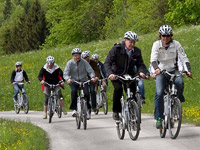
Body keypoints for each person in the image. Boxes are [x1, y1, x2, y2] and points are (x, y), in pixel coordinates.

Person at [150, 25, 192, 129]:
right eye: (163, 36)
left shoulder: (176, 44)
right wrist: (156, 69)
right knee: (159, 93)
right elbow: (153, 60)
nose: (165, 38)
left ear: (171, 36)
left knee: (180, 82)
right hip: (161, 71)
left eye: (168, 36)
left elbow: (184, 58)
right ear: (160, 36)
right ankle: (159, 118)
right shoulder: (156, 45)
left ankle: (178, 99)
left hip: (173, 69)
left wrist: (188, 70)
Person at [104, 31, 150, 120]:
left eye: (134, 42)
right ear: (125, 40)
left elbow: (141, 64)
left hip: (130, 74)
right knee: (118, 89)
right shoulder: (116, 49)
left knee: (132, 92)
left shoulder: (137, 51)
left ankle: (133, 112)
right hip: (116, 74)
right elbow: (107, 63)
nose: (132, 44)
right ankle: (116, 111)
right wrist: (110, 74)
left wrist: (143, 72)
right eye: (130, 42)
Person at [63, 48, 96, 119]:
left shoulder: (84, 62)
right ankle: (74, 109)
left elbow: (90, 71)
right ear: (72, 56)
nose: (77, 57)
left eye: (79, 55)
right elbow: (65, 73)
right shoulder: (70, 63)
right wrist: (68, 79)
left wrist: (92, 77)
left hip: (84, 80)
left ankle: (87, 109)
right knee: (74, 91)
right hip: (74, 81)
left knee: (87, 94)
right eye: (75, 55)